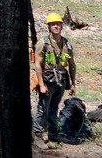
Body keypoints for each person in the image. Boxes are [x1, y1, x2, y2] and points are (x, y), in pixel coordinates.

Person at [33, 12, 77, 143]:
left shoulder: (66, 43)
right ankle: (37, 135)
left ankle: (53, 133)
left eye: (58, 24)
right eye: (53, 25)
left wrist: (73, 83)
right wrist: (41, 84)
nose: (56, 27)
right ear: (49, 27)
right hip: (47, 80)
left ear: (62, 26)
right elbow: (37, 65)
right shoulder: (43, 43)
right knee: (42, 108)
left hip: (61, 80)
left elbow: (72, 64)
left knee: (54, 108)